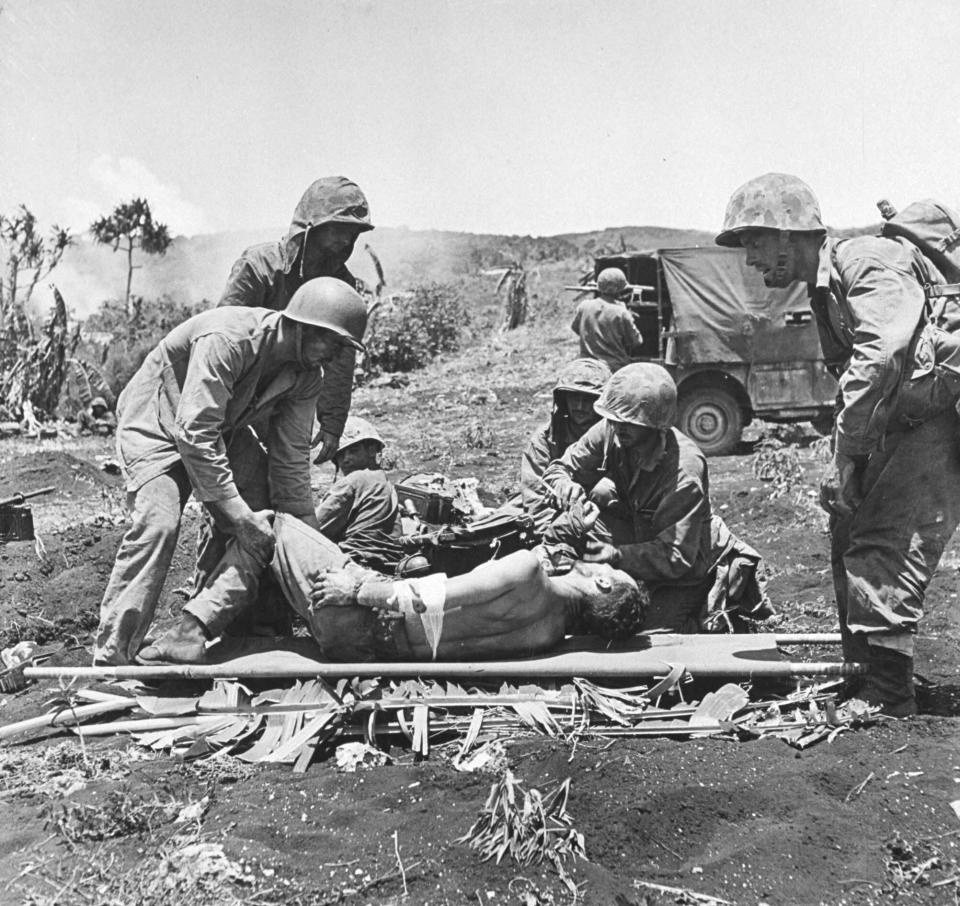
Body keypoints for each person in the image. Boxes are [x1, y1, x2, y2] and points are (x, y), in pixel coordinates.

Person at [716, 172, 960, 715]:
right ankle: (864, 673)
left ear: (788, 233)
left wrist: (847, 451)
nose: (751, 259)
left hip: (936, 422)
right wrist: (845, 460)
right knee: (849, 525)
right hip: (900, 423)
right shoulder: (823, 287)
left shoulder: (865, 259)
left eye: (754, 241)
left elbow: (881, 354)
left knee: (883, 542)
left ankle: (889, 695)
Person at [93, 277, 368, 666]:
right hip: (157, 421)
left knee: (267, 519)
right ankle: (114, 654)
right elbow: (193, 432)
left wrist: (308, 546)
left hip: (221, 428)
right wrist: (237, 517)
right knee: (160, 522)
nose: (337, 356)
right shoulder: (229, 337)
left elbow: (290, 464)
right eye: (335, 343)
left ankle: (193, 630)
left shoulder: (308, 376)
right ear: (306, 327)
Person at [242, 512, 648, 662]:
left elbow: (429, 598)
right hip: (368, 651)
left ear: (602, 582)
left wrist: (356, 590)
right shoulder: (549, 635)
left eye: (609, 568)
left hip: (354, 614)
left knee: (268, 524)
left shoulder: (528, 574)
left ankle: (197, 623)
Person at [541, 363, 764, 633]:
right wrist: (566, 485)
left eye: (630, 423)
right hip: (641, 540)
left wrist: (617, 556)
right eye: (614, 419)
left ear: (656, 426)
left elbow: (676, 556)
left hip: (686, 566)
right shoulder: (611, 429)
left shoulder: (684, 471)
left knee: (637, 631)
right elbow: (559, 468)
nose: (618, 428)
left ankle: (710, 618)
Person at [218, 175, 374, 464]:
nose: (345, 240)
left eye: (353, 234)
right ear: (312, 226)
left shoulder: (341, 286)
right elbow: (221, 340)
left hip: (289, 393)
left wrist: (332, 424)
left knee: (286, 471)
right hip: (234, 388)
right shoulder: (259, 266)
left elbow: (340, 360)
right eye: (339, 229)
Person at [520, 358, 612, 532]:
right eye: (574, 397)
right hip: (556, 517)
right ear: (563, 399)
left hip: (603, 516)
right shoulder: (545, 438)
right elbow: (535, 499)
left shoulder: (615, 436)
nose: (579, 406)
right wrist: (554, 535)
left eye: (588, 399)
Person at [315, 415, 399, 563]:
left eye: (353, 451)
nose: (346, 459)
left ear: (372, 450)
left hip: (355, 561)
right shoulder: (383, 481)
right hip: (386, 562)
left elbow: (314, 527)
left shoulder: (355, 481)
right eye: (340, 454)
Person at [571, 267, 644, 372]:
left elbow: (576, 328)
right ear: (620, 289)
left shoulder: (584, 306)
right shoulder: (621, 312)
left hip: (586, 365)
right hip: (614, 368)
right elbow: (636, 341)